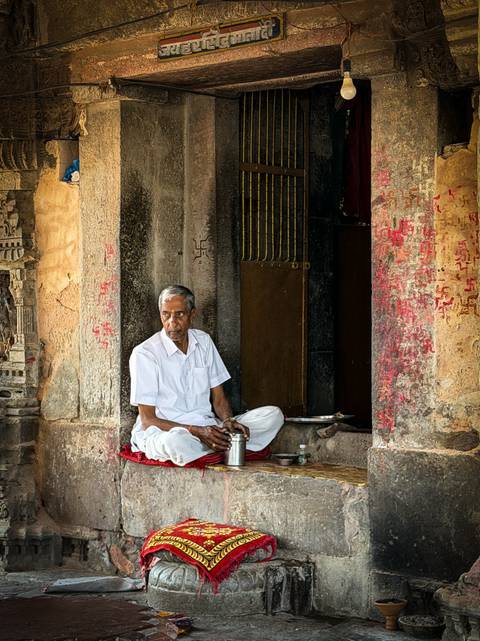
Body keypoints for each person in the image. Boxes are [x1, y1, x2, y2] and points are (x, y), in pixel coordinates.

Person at [129, 285, 284, 466]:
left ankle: (214, 446)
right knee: (175, 443)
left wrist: (228, 421)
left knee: (274, 415)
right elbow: (148, 420)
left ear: (192, 314)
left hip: (209, 427)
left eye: (179, 314)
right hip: (171, 431)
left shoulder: (203, 341)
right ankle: (223, 447)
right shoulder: (145, 354)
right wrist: (197, 432)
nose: (172, 322)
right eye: (166, 314)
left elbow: (218, 399)